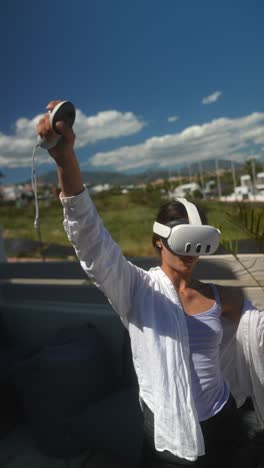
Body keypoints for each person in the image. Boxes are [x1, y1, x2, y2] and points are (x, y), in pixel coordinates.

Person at [36, 101, 264, 468]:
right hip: (168, 432)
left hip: (223, 418)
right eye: (183, 241)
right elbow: (92, 243)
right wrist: (64, 159)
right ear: (159, 240)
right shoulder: (138, 290)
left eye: (199, 244)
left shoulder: (220, 295)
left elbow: (256, 329)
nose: (191, 254)